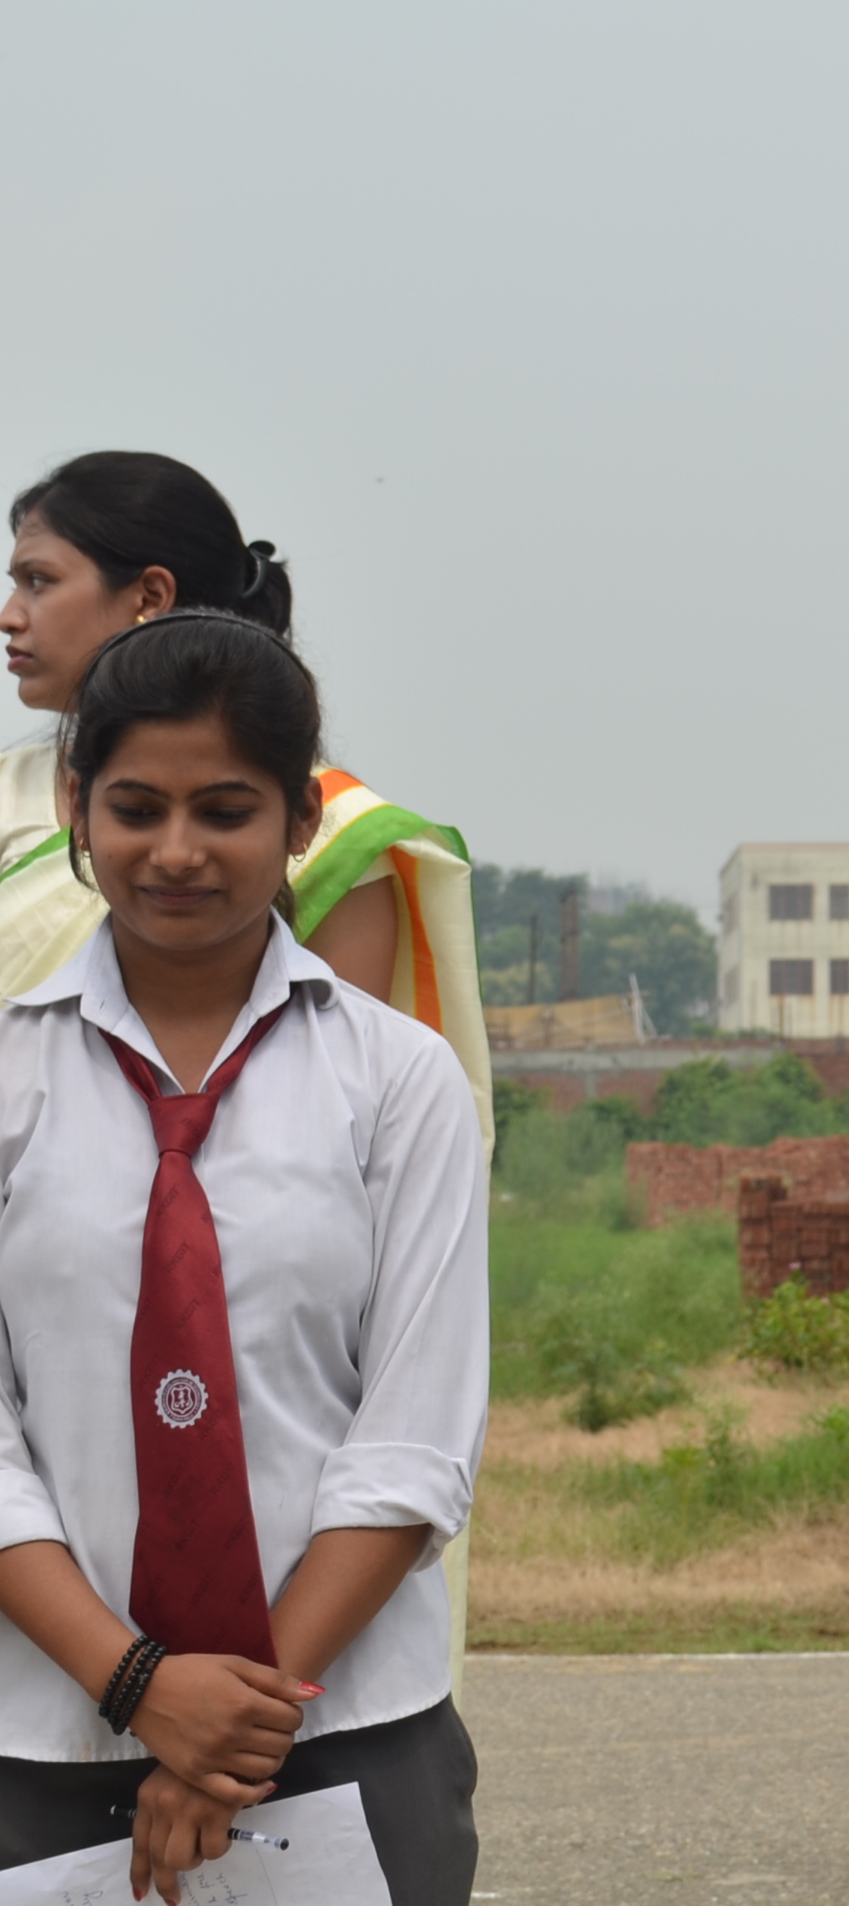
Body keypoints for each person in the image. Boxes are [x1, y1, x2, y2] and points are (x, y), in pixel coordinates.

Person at [0, 613, 485, 1904]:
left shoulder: (399, 1083)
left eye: (225, 811)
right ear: (75, 806)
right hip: (41, 1735)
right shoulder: (4, 1079)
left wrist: (232, 1732)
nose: (176, 852)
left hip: (344, 1729)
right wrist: (139, 1687)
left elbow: (413, 1440)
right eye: (135, 808)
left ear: (301, 820)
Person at [0, 458, 490, 1113]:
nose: (10, 616)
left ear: (149, 596)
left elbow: (344, 1101)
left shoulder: (336, 833)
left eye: (39, 581)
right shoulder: (9, 790)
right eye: (135, 810)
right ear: (83, 811)